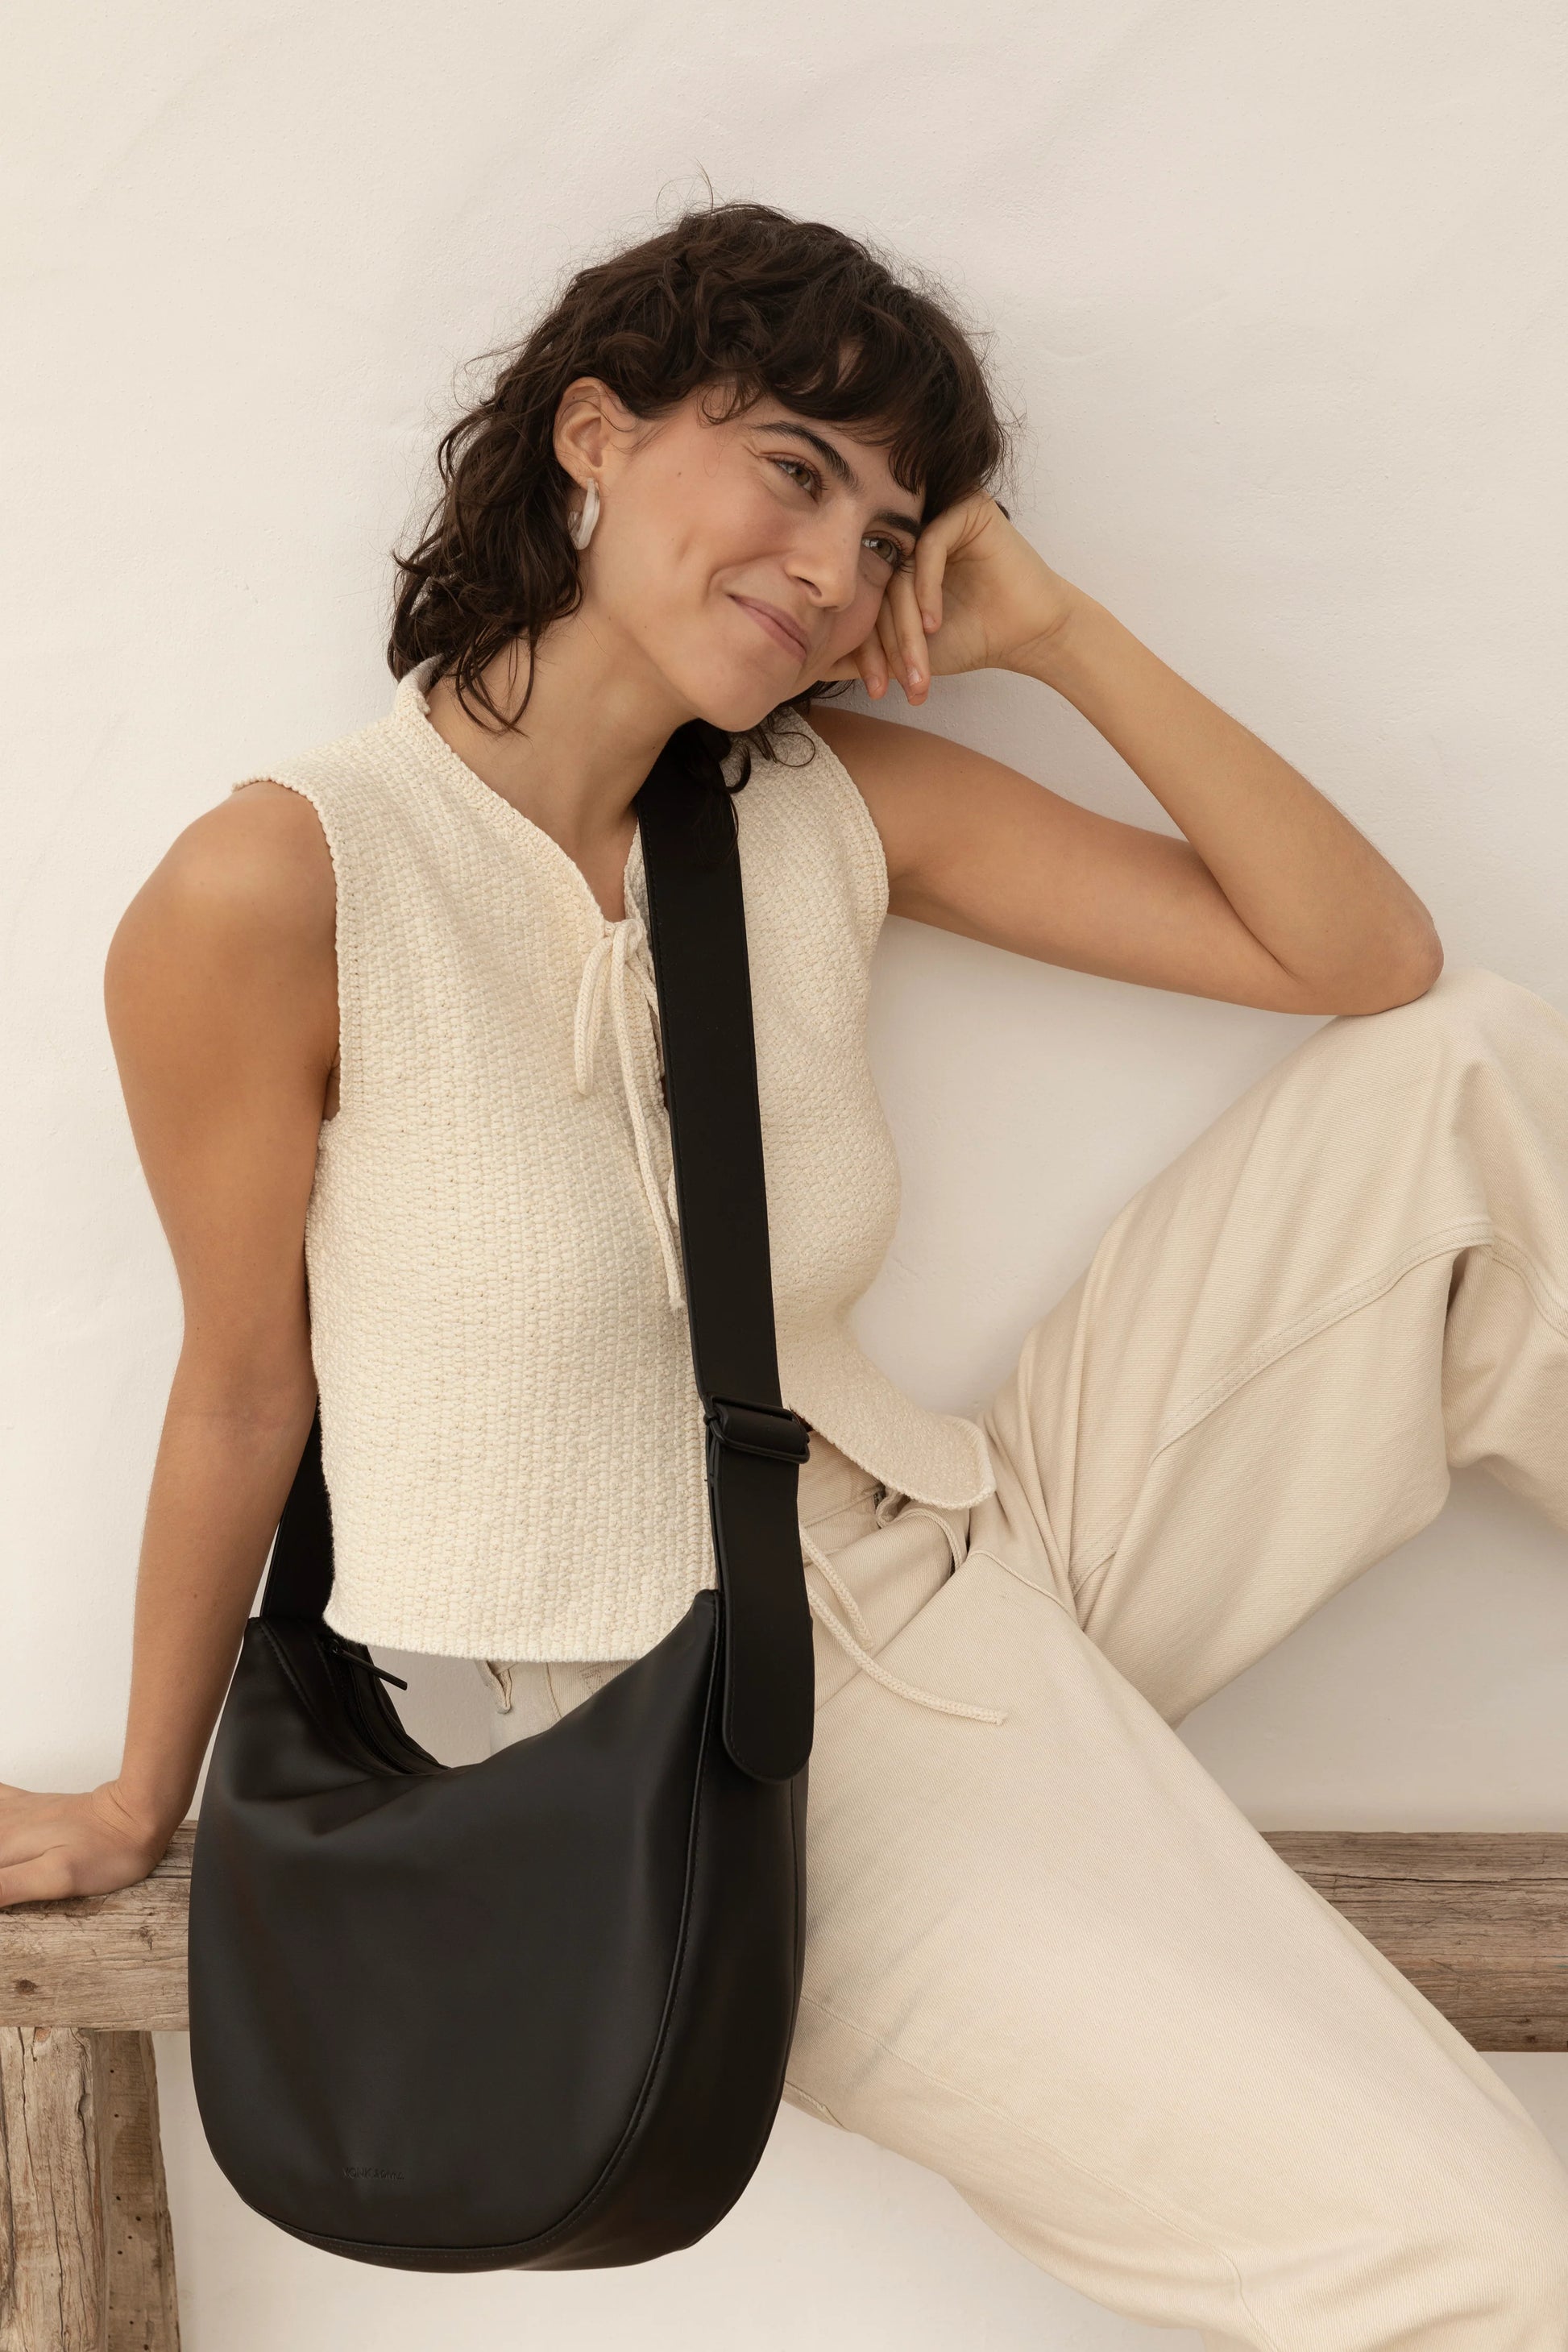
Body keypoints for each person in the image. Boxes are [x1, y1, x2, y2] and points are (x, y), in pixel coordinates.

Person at [4, 196, 1568, 2346]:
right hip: (718, 1755)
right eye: (794, 470)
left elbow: (1359, 958)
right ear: (592, 436)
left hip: (971, 1544)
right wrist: (135, 1795)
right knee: (1498, 2269)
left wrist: (1061, 633)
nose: (836, 565)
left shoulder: (823, 805)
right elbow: (245, 1383)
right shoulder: (285, 879)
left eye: (888, 527)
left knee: (1466, 1079)